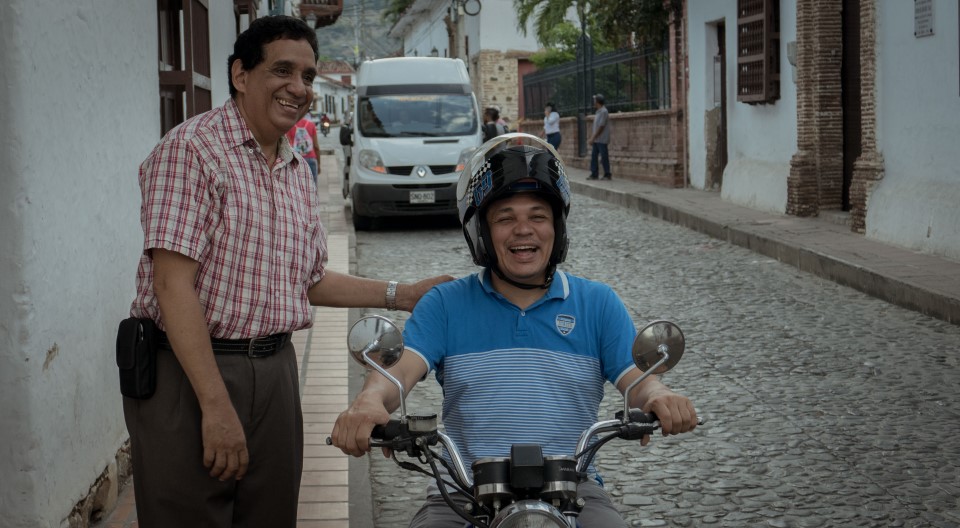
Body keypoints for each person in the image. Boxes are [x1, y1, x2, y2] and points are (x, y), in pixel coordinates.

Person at [123, 16, 451, 528]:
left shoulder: (294, 168)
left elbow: (307, 280)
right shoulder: (191, 151)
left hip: (275, 369)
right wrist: (215, 406)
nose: (299, 88)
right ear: (240, 75)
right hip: (189, 375)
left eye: (308, 76)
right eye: (282, 71)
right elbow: (172, 285)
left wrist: (402, 294)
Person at [331, 135, 698, 527]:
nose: (524, 230)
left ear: (557, 227)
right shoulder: (445, 303)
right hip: (463, 490)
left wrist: (658, 395)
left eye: (538, 216)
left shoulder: (597, 303)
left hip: (573, 488)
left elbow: (639, 381)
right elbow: (398, 372)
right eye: (505, 218)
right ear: (482, 232)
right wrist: (369, 401)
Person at [286, 115, 321, 183]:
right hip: (311, 158)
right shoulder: (311, 125)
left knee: (298, 185)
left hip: (296, 159)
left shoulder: (290, 126)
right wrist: (319, 163)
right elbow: (316, 146)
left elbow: (288, 145)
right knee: (313, 185)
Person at [588, 93, 612, 180]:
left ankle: (607, 174)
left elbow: (601, 126)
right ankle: (594, 174)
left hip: (602, 139)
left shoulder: (604, 111)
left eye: (594, 100)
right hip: (597, 139)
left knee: (604, 156)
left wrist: (593, 137)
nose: (593, 102)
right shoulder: (598, 112)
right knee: (594, 156)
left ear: (597, 102)